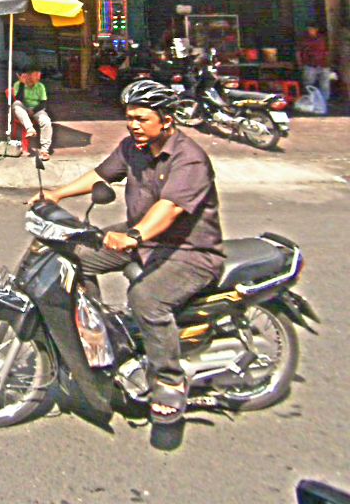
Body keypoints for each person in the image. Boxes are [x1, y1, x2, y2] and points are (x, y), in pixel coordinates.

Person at [30, 80, 224, 424]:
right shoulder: (134, 147)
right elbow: (101, 174)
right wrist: (58, 194)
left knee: (146, 299)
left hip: (190, 251)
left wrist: (134, 235)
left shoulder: (188, 159)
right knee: (76, 256)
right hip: (145, 239)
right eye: (130, 117)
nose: (133, 125)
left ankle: (169, 381)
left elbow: (170, 208)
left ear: (166, 120)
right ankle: (95, 337)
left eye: (141, 118)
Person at [13, 66, 52, 160]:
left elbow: (43, 103)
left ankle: (45, 150)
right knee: (16, 104)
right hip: (23, 108)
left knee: (46, 121)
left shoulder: (40, 86)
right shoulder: (18, 84)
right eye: (35, 75)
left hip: (37, 109)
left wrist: (33, 111)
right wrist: (22, 84)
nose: (37, 78)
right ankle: (30, 129)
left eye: (38, 76)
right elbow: (19, 99)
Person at [296, 24, 331, 103]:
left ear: (316, 29)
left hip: (323, 63)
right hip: (310, 64)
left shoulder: (322, 38)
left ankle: (324, 102)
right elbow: (298, 52)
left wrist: (328, 62)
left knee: (325, 85)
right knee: (308, 84)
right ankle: (309, 100)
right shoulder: (304, 39)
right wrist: (300, 63)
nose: (311, 31)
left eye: (312, 29)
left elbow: (327, 51)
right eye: (309, 29)